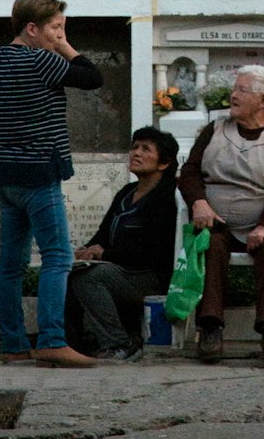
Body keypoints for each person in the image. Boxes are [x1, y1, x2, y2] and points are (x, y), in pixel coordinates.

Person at [0, 0, 103, 367]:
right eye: (55, 28)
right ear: (31, 29)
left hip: (5, 174)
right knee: (58, 258)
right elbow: (92, 77)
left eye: (62, 30)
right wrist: (66, 47)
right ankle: (51, 339)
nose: (59, 36)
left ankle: (14, 345)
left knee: (10, 266)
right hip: (39, 173)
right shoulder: (42, 60)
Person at [179, 65, 264, 362]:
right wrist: (198, 202)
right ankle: (209, 328)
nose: (232, 95)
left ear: (263, 100)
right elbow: (189, 172)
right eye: (234, 89)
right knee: (210, 244)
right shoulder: (214, 130)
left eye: (241, 90)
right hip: (214, 220)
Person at [66, 127, 179, 362]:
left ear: (164, 163)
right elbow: (102, 234)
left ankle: (119, 344)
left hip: (148, 277)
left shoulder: (167, 197)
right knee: (69, 271)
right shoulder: (127, 192)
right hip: (121, 271)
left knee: (88, 278)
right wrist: (86, 251)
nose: (136, 153)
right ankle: (75, 344)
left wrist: (105, 254)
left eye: (145, 149)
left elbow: (152, 251)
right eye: (134, 147)